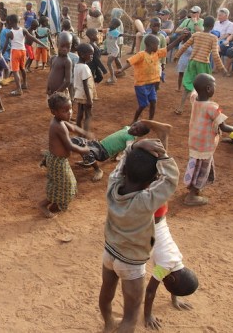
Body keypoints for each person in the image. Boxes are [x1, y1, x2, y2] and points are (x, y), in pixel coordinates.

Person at [100, 138, 178, 333]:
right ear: (151, 181)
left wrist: (133, 147)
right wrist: (163, 156)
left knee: (106, 292)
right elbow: (170, 179)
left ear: (125, 171)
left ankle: (108, 323)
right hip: (131, 262)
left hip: (109, 253)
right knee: (130, 317)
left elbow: (120, 166)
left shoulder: (113, 187)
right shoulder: (145, 201)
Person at [182, 74, 233, 206]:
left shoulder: (195, 100)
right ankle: (192, 196)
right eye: (215, 85)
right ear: (208, 89)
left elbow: (193, 92)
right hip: (205, 145)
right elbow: (224, 127)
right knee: (202, 169)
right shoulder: (212, 107)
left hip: (195, 142)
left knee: (195, 166)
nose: (216, 88)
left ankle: (192, 189)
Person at [143, 208, 199, 330]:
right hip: (150, 219)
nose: (164, 282)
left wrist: (175, 299)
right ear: (171, 278)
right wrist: (148, 316)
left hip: (161, 216)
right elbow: (150, 290)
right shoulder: (163, 268)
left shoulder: (177, 258)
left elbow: (174, 280)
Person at [38, 92, 91, 218]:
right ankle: (44, 205)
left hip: (59, 160)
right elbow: (70, 146)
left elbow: (72, 127)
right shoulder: (58, 126)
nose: (70, 113)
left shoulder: (60, 121)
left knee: (65, 184)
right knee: (64, 185)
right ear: (54, 112)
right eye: (65, 110)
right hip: (57, 162)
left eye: (70, 109)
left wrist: (83, 132)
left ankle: (55, 205)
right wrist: (85, 150)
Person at [72, 120, 170, 182]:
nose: (134, 128)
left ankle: (98, 170)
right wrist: (115, 156)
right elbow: (119, 143)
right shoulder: (127, 128)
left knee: (86, 151)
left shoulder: (130, 139)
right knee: (79, 141)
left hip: (103, 153)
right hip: (99, 144)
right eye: (135, 125)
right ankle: (88, 161)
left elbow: (128, 148)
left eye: (137, 130)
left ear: (139, 135)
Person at [118, 35, 183, 123]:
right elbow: (130, 62)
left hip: (152, 83)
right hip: (141, 85)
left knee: (153, 102)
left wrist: (179, 38)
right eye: (157, 45)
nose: (158, 47)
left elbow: (169, 47)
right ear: (150, 45)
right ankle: (134, 120)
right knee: (143, 105)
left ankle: (150, 121)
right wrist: (121, 69)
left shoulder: (157, 53)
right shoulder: (141, 55)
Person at [173, 16, 225, 115]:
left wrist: (177, 55)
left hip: (192, 62)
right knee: (206, 87)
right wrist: (221, 67)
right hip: (203, 64)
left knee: (188, 85)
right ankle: (204, 110)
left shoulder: (196, 35)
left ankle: (180, 108)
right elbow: (215, 54)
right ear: (212, 26)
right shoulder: (213, 38)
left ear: (203, 24)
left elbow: (185, 45)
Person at [3, 14, 48, 95]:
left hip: (15, 52)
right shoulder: (23, 30)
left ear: (9, 22)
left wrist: (2, 53)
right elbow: (33, 38)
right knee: (22, 68)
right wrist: (44, 45)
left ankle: (19, 89)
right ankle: (24, 84)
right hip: (23, 51)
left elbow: (6, 45)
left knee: (15, 71)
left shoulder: (9, 33)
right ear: (19, 21)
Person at [174, 6, 204, 91]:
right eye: (191, 12)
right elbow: (177, 30)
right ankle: (179, 87)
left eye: (194, 12)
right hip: (185, 42)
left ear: (198, 13)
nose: (192, 14)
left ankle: (193, 88)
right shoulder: (186, 21)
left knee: (193, 69)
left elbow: (200, 31)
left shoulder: (201, 21)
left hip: (195, 44)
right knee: (181, 69)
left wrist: (195, 23)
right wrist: (183, 30)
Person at [73, 43, 96, 131]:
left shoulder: (77, 65)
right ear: (82, 55)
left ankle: (79, 132)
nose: (92, 56)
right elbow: (85, 84)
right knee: (88, 115)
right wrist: (89, 100)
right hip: (85, 95)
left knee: (79, 114)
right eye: (90, 54)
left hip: (79, 94)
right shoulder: (84, 67)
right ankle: (86, 135)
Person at [46, 32, 73, 97]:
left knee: (62, 107)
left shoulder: (67, 61)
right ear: (57, 44)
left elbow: (68, 81)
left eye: (68, 47)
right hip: (51, 92)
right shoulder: (53, 58)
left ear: (71, 46)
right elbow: (50, 74)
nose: (65, 49)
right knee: (52, 106)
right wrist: (47, 87)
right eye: (62, 46)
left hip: (61, 94)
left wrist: (57, 92)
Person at [105, 18, 123, 84]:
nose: (110, 23)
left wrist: (134, 36)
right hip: (111, 50)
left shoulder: (116, 32)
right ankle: (121, 71)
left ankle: (113, 78)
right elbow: (103, 30)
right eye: (110, 22)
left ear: (116, 26)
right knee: (117, 59)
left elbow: (123, 35)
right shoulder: (108, 30)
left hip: (114, 50)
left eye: (112, 23)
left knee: (109, 63)